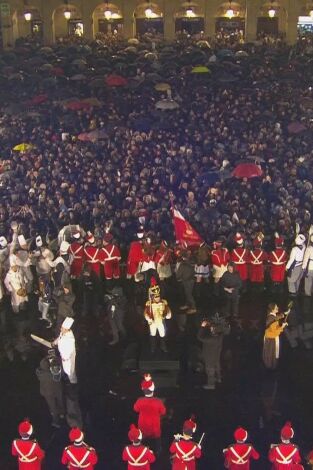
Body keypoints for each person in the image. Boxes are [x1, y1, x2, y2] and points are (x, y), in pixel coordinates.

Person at [133, 373, 166, 453]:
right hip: (155, 429)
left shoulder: (139, 400)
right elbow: (163, 412)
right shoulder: (158, 401)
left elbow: (135, 409)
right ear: (153, 388)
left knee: (142, 447)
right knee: (157, 446)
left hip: (143, 428)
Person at [197, 315, 230, 390]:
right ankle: (218, 378)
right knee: (215, 367)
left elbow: (199, 337)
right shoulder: (219, 337)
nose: (211, 328)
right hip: (214, 357)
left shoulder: (212, 339)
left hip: (210, 357)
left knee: (210, 370)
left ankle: (211, 384)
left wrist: (202, 327)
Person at [36, 355, 64, 428]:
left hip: (47, 393)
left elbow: (39, 369)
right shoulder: (54, 373)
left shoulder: (40, 373)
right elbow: (61, 373)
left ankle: (55, 421)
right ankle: (61, 414)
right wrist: (54, 359)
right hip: (57, 390)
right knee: (60, 402)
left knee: (52, 406)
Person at [144, 278, 172, 353]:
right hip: (153, 322)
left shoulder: (164, 302)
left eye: (158, 296)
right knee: (152, 334)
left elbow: (167, 310)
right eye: (156, 297)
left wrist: (168, 314)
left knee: (162, 334)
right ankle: (153, 347)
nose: (157, 298)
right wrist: (148, 318)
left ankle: (163, 346)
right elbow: (146, 313)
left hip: (161, 321)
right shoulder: (149, 304)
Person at [262, 303, 290, 370]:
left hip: (270, 338)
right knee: (271, 356)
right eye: (276, 307)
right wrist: (282, 327)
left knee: (269, 355)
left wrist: (284, 314)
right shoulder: (271, 318)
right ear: (272, 309)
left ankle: (269, 368)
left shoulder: (271, 316)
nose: (277, 307)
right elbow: (275, 332)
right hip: (272, 340)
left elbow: (276, 318)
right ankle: (271, 369)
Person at [54, 317, 77, 384]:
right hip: (63, 358)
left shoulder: (70, 340)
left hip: (68, 360)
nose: (60, 329)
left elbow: (67, 352)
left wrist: (64, 359)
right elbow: (60, 337)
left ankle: (73, 383)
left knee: (70, 372)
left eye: (62, 328)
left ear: (67, 329)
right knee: (66, 371)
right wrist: (54, 342)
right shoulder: (63, 332)